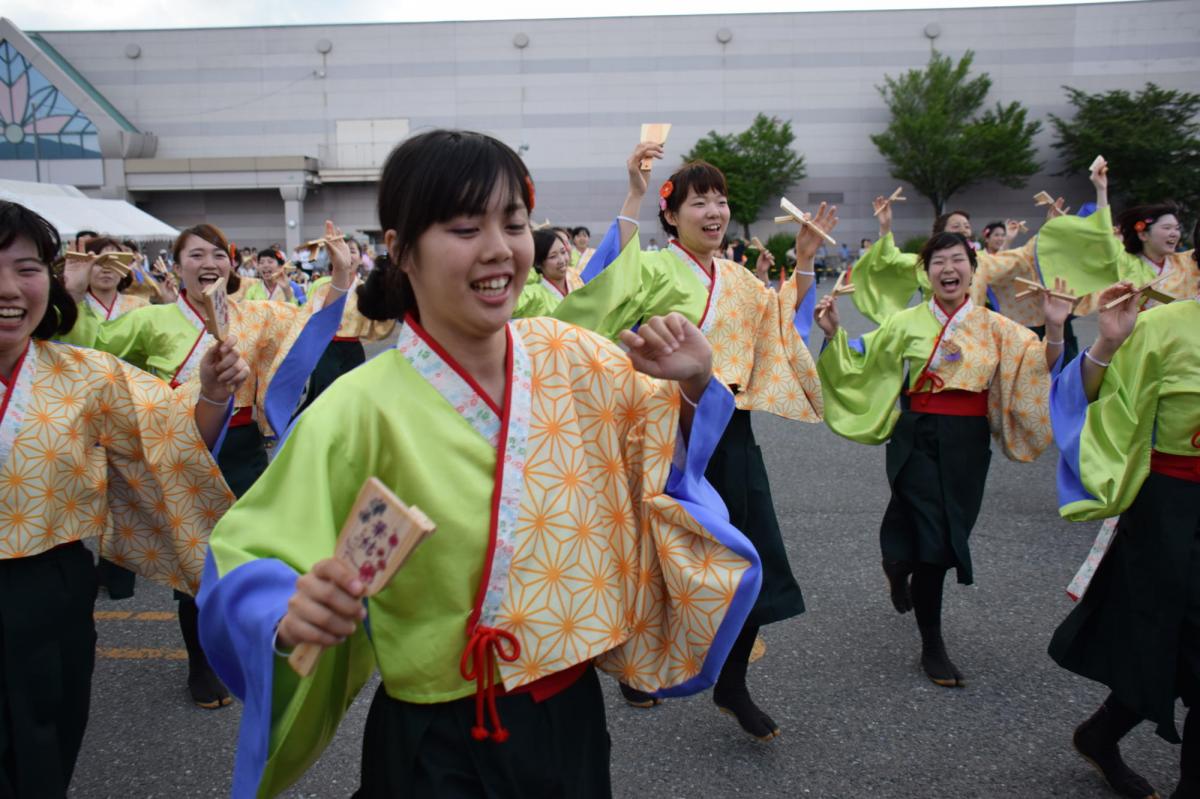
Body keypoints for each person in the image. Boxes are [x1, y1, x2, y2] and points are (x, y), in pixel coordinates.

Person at [197, 129, 759, 798]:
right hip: (436, 740)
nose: (499, 248)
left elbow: (655, 461)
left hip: (567, 715)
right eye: (465, 226)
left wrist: (693, 386)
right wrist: (284, 606)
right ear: (401, 249)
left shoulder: (570, 354)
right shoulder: (355, 409)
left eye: (513, 222)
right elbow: (247, 548)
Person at [554, 140, 827, 740]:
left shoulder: (738, 280)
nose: (714, 211)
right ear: (671, 215)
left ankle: (732, 684)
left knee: (753, 554)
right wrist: (633, 191)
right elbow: (597, 292)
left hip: (729, 425)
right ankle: (637, 662)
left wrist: (804, 260)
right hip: (663, 429)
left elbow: (782, 326)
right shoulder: (651, 267)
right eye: (699, 201)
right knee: (655, 558)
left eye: (721, 201)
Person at [0, 200, 243, 796]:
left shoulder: (88, 373)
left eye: (27, 269)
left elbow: (169, 442)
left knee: (44, 749)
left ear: (49, 280)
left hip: (47, 585)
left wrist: (210, 393)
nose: (9, 288)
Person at [60, 221, 355, 709]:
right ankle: (200, 662)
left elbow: (307, 325)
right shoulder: (150, 321)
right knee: (197, 564)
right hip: (181, 451)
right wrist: (71, 291)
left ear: (231, 264)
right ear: (176, 269)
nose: (209, 264)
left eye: (218, 254)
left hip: (242, 448)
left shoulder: (254, 314)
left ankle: (250, 644)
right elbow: (90, 353)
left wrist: (342, 276)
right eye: (195, 255)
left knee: (252, 551)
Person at [814, 231, 1072, 687]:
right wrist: (835, 333)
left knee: (943, 527)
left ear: (973, 269)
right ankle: (932, 644)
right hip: (917, 435)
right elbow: (865, 363)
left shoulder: (995, 326)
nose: (948, 269)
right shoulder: (905, 322)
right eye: (938, 262)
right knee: (935, 542)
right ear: (926, 272)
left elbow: (1037, 367)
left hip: (967, 443)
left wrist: (1053, 328)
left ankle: (897, 563)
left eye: (958, 260)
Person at [1048, 275, 1200, 799]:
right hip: (1171, 511)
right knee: (1163, 639)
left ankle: (1101, 733)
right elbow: (1091, 402)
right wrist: (1108, 343)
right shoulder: (1161, 326)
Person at [295, 237, 396, 414]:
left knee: (352, 397)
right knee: (323, 396)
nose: (348, 255)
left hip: (353, 350)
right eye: (343, 250)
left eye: (352, 250)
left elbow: (379, 318)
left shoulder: (365, 289)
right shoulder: (321, 285)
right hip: (326, 349)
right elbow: (308, 317)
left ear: (360, 258)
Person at [513, 229, 584, 317]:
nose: (562, 260)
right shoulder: (533, 294)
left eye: (563, 252)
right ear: (538, 263)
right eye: (553, 256)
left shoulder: (578, 280)